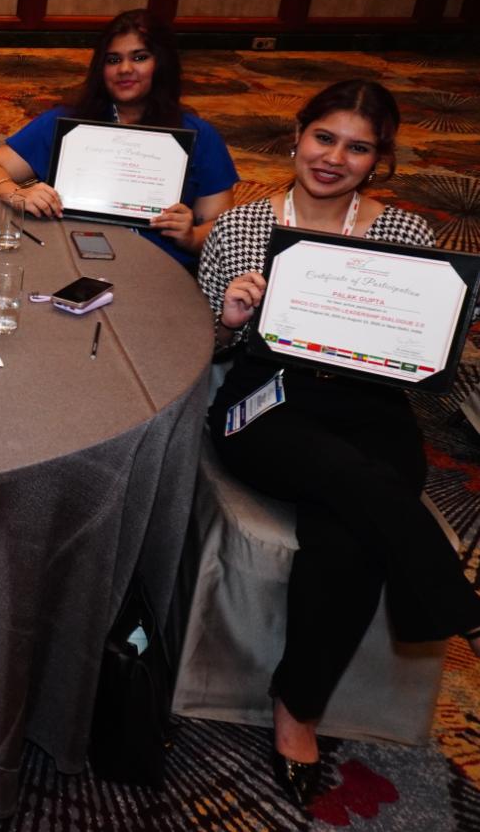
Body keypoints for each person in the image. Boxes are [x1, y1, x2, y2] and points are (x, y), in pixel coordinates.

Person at [198, 79, 480, 806]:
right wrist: (228, 318)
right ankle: (451, 596)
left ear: (377, 159)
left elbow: (426, 365)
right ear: (297, 135)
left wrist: (422, 336)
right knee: (352, 480)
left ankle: (296, 707)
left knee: (350, 528)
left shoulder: (406, 234)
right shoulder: (239, 226)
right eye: (323, 137)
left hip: (368, 404)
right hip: (267, 402)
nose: (333, 158)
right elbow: (198, 348)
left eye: (357, 147)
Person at [0, 8, 237, 266]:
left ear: (162, 63)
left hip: (159, 264)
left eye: (139, 57)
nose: (124, 69)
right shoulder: (66, 123)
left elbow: (221, 229)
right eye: (113, 60)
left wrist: (191, 236)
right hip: (67, 256)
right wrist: (17, 194)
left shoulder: (200, 136)